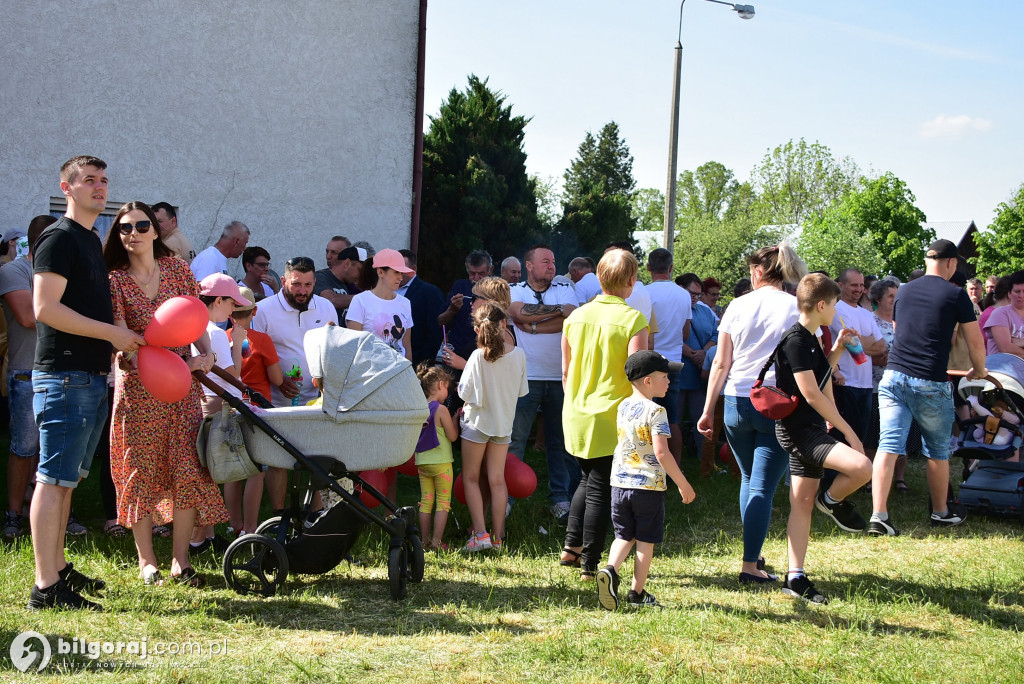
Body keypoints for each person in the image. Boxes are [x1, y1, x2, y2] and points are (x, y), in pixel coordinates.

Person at [28, 156, 147, 611]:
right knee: (53, 480)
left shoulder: (90, 239)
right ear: (67, 188)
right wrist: (112, 335)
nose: (100, 188)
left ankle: (57, 568)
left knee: (67, 482)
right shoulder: (59, 238)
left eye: (104, 181)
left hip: (90, 376)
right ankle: (45, 587)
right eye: (89, 181)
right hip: (65, 375)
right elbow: (45, 309)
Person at [105, 201, 225, 586]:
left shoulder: (176, 268)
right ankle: (146, 561)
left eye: (142, 226)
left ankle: (180, 560)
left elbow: (192, 315)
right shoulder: (115, 280)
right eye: (125, 228)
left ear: (156, 231)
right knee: (140, 470)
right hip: (139, 388)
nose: (134, 234)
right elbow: (122, 339)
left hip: (181, 387)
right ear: (118, 236)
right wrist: (162, 364)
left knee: (187, 468)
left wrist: (206, 352)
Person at [697, 243, 808, 585]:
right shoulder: (795, 307)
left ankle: (754, 553)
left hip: (734, 400)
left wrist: (707, 410)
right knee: (761, 486)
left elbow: (720, 361)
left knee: (748, 479)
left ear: (758, 272)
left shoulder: (736, 305)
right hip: (775, 401)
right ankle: (749, 565)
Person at [870, 239, 987, 535]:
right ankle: (940, 512)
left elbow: (899, 332)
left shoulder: (904, 290)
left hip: (893, 377)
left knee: (889, 445)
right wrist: (981, 370)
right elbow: (975, 341)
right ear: (951, 263)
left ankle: (879, 516)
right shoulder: (956, 294)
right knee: (937, 451)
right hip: (930, 381)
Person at [774, 274, 872, 604]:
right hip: (799, 431)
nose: (835, 310)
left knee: (801, 504)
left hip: (809, 428)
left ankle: (794, 577)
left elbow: (821, 376)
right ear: (820, 304)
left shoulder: (811, 338)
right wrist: (847, 431)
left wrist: (839, 348)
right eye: (833, 304)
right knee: (861, 467)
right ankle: (830, 501)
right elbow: (812, 394)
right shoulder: (797, 341)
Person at [560, 249, 648, 578]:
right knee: (600, 488)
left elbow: (566, 374)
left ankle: (572, 548)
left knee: (588, 479)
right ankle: (589, 564)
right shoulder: (634, 319)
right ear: (631, 281)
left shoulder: (574, 318)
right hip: (613, 415)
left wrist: (576, 404)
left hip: (576, 411)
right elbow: (638, 376)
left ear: (598, 278)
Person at [596, 350, 695, 610]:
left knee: (623, 535)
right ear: (648, 381)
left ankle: (610, 569)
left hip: (619, 483)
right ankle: (636, 593)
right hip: (648, 487)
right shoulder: (657, 412)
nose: (669, 381)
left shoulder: (623, 406)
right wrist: (682, 483)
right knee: (645, 540)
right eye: (665, 376)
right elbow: (661, 452)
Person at [251, 256, 338, 510]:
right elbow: (256, 355)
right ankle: (280, 515)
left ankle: (315, 513)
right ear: (283, 281)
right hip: (276, 398)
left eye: (308, 285)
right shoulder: (264, 309)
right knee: (278, 460)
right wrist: (278, 380)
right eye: (296, 284)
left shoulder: (326, 307)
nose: (302, 291)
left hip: (317, 398)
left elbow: (333, 347)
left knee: (317, 458)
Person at [509, 245, 579, 522]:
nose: (552, 266)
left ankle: (560, 498)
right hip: (525, 376)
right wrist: (555, 314)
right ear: (529, 265)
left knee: (560, 442)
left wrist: (535, 325)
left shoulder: (564, 288)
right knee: (516, 439)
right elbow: (517, 312)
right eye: (545, 261)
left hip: (560, 376)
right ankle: (508, 496)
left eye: (553, 261)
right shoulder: (515, 290)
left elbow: (572, 315)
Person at [458, 302, 529, 552]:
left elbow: (463, 392)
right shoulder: (519, 354)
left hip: (477, 423)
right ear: (503, 324)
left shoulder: (477, 356)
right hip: (503, 426)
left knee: (471, 478)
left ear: (478, 329)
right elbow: (522, 392)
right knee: (497, 480)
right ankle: (498, 538)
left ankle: (480, 535)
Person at [1, 215, 54, 540]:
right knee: (23, 448)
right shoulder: (13, 271)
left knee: (56, 451)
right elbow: (27, 317)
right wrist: (68, 313)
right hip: (26, 372)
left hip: (62, 372)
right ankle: (13, 515)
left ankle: (59, 513)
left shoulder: (60, 274)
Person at [226, 286, 282, 535]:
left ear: (230, 313)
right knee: (256, 471)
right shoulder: (262, 340)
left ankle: (233, 525)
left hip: (230, 407)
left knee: (233, 471)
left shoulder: (224, 337)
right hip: (258, 411)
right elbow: (277, 379)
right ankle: (250, 528)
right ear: (254, 311)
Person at [645, 250, 691, 464]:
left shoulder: (644, 293)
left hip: (649, 362)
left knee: (646, 419)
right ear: (671, 268)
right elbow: (685, 334)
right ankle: (677, 467)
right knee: (671, 419)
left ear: (648, 267)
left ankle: (649, 466)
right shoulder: (684, 294)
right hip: (673, 362)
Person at [865, 278, 907, 490]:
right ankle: (871, 477)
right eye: (890, 296)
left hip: (901, 386)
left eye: (896, 295)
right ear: (878, 298)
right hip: (875, 385)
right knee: (874, 435)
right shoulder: (869, 320)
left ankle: (899, 478)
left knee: (900, 434)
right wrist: (876, 357)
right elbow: (863, 351)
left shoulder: (905, 320)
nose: (894, 299)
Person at [414, 363, 458, 550]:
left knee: (425, 502)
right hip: (442, 464)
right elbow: (453, 436)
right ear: (441, 385)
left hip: (422, 462)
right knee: (442, 502)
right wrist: (455, 419)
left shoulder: (417, 409)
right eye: (447, 387)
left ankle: (423, 541)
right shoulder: (441, 410)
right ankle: (437, 542)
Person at [346, 248, 414, 361]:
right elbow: (353, 346)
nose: (401, 278)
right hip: (370, 373)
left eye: (402, 273)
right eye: (396, 272)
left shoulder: (405, 303)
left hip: (398, 372)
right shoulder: (360, 301)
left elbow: (406, 346)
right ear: (380, 272)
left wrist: (409, 374)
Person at [438, 250, 493, 363]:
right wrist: (452, 309)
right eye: (472, 274)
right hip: (457, 351)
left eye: (481, 274)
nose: (476, 278)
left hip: (484, 354)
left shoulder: (495, 290)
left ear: (490, 270)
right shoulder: (460, 287)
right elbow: (440, 322)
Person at [397, 249, 445, 366]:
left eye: (402, 268)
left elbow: (434, 330)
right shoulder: (387, 289)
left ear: (413, 269)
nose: (398, 272)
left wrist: (424, 362)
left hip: (416, 359)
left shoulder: (429, 292)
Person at [313, 242, 364, 324]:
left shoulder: (346, 284)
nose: (361, 275)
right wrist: (367, 297)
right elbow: (332, 300)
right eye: (360, 270)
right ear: (347, 264)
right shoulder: (320, 277)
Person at [983, 271, 1024, 358]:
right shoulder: (1000, 313)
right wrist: (1013, 343)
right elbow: (1005, 348)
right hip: (1002, 368)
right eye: (1017, 291)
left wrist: (1017, 342)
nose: (1021, 295)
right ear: (1009, 293)